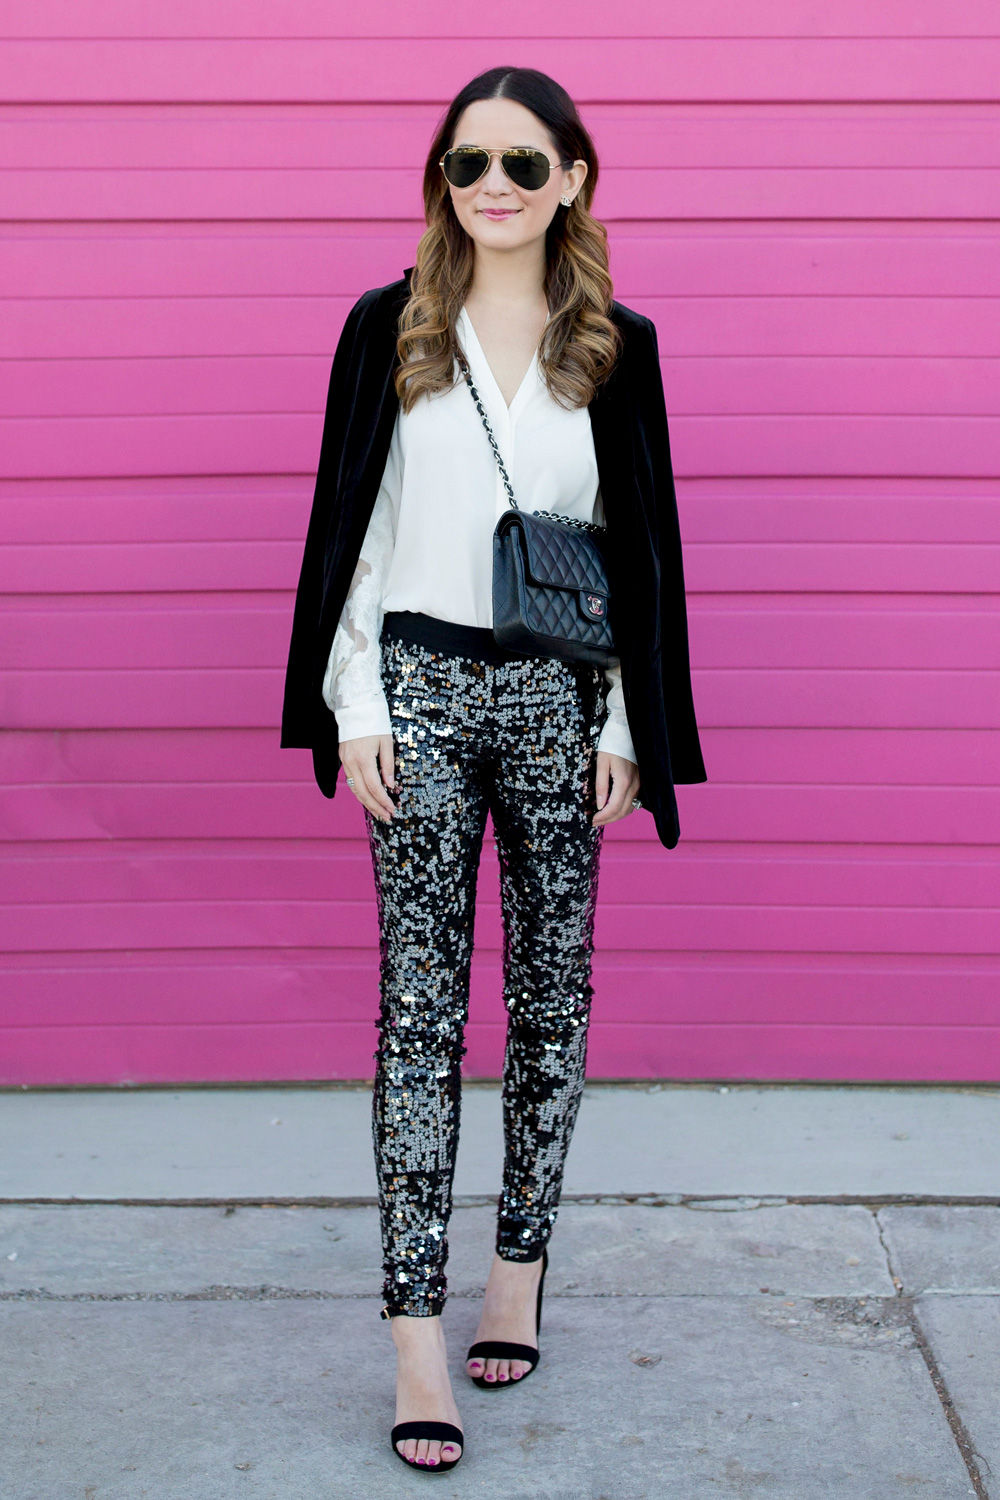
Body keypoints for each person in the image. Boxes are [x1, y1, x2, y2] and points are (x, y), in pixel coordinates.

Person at [281, 64, 706, 1474]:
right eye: (469, 165)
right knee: (416, 1011)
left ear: (574, 178)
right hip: (412, 684)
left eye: (525, 164)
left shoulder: (618, 344)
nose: (497, 189)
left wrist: (632, 728)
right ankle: (413, 1328)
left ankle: (518, 1267)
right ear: (441, 184)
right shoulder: (386, 329)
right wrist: (351, 700)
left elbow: (645, 553)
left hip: (561, 699)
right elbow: (352, 522)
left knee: (549, 992)